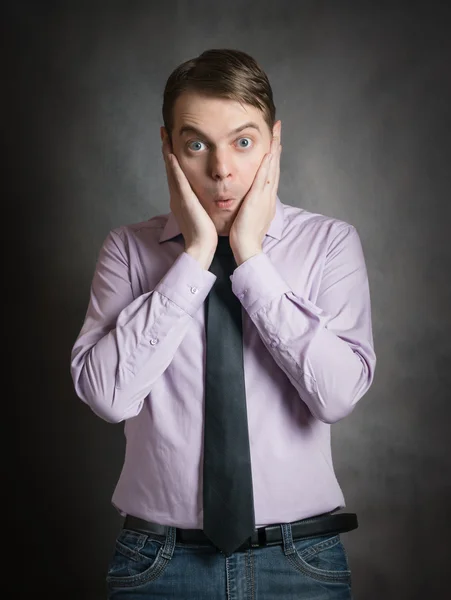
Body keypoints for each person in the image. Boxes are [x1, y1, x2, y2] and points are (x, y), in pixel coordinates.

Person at [70, 48, 376, 599]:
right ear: (167, 148)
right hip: (157, 566)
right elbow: (108, 397)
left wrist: (251, 260)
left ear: (274, 143)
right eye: (195, 144)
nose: (221, 170)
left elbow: (335, 397)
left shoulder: (330, 245)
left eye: (243, 141)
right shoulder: (127, 251)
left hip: (299, 562)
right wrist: (194, 256)